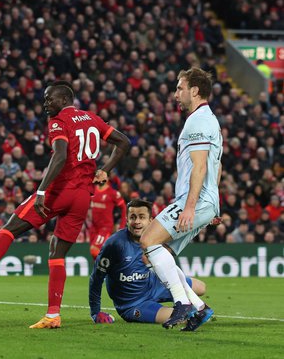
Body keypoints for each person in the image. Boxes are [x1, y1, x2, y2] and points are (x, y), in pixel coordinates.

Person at [0, 80, 130, 329]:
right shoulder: (93, 118)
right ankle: (53, 315)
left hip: (59, 190)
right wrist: (105, 170)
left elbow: (60, 155)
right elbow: (124, 142)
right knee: (57, 253)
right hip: (82, 197)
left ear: (64, 100)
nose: (46, 104)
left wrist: (42, 191)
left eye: (49, 99)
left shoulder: (58, 122)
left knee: (10, 228)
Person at [140, 67, 221, 329]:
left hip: (194, 201)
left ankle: (181, 302)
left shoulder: (197, 121)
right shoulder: (209, 119)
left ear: (194, 90)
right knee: (156, 253)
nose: (176, 93)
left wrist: (189, 208)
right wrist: (213, 205)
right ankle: (199, 308)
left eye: (179, 87)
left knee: (148, 240)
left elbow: (200, 168)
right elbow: (215, 167)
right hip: (205, 201)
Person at [89, 200, 212, 330]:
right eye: (132, 217)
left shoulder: (156, 237)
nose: (137, 221)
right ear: (126, 220)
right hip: (134, 304)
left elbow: (184, 228)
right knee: (183, 317)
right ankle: (186, 310)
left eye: (142, 217)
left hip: (154, 285)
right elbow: (96, 278)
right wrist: (96, 312)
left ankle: (191, 307)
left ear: (151, 221)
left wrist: (205, 220)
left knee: (201, 287)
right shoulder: (115, 244)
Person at [89, 179, 126, 259]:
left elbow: (124, 208)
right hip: (93, 227)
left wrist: (122, 226)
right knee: (95, 256)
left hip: (105, 227)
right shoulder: (93, 190)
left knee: (94, 250)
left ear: (107, 177)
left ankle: (113, 261)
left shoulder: (113, 193)